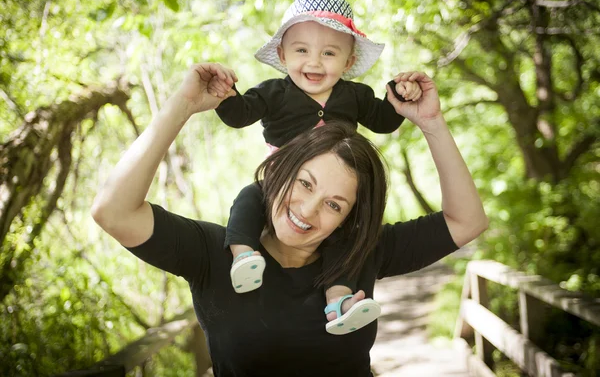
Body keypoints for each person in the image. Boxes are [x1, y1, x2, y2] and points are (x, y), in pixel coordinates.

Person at [91, 63, 488, 376]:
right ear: (280, 168)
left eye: (335, 205)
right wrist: (182, 104)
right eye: (304, 183)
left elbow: (467, 221)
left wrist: (432, 124)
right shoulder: (214, 253)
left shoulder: (361, 250)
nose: (308, 209)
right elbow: (114, 211)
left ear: (350, 216)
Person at [205, 0, 423, 334]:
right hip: (281, 183)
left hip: (332, 190)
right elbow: (239, 115)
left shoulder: (355, 95)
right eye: (302, 50)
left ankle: (339, 300)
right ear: (282, 53)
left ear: (348, 62)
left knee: (344, 236)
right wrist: (225, 94)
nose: (314, 62)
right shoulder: (273, 92)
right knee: (249, 198)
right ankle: (244, 255)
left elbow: (384, 121)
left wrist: (398, 95)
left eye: (329, 53)